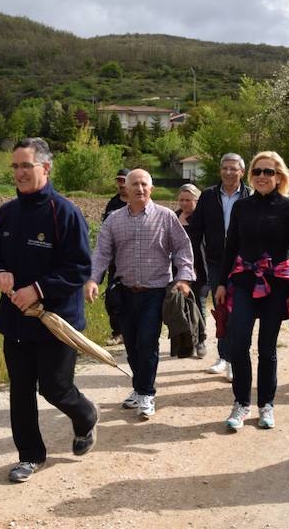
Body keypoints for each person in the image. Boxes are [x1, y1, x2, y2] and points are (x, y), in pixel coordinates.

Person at [0, 138, 99, 483]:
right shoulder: (6, 214)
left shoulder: (65, 213)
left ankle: (86, 416)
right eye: (15, 166)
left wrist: (38, 290)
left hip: (56, 322)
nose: (19, 173)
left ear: (46, 168)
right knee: (20, 389)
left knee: (56, 388)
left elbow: (78, 268)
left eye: (26, 166)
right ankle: (30, 456)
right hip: (15, 323)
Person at [84, 169, 195, 420]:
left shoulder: (166, 217)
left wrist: (184, 278)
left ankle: (147, 393)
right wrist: (93, 279)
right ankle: (138, 388)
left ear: (151, 188)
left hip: (155, 292)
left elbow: (182, 248)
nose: (140, 189)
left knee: (147, 342)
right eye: (135, 184)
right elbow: (102, 252)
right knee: (132, 345)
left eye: (144, 184)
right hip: (124, 292)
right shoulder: (113, 220)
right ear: (126, 188)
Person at [214, 152, 289, 432]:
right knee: (238, 343)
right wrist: (220, 282)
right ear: (250, 176)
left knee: (267, 348)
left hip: (276, 286)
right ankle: (242, 403)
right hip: (243, 282)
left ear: (278, 177)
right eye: (258, 172)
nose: (262, 176)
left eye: (269, 172)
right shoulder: (242, 208)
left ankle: (266, 404)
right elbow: (230, 247)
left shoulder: (288, 208)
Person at [188, 153, 252, 381]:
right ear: (220, 170)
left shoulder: (250, 195)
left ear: (242, 172)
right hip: (216, 263)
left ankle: (237, 358)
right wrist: (193, 262)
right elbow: (195, 232)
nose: (228, 172)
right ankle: (224, 357)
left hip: (244, 265)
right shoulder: (208, 196)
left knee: (241, 312)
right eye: (224, 168)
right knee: (222, 310)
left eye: (233, 169)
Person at [175, 183, 208, 357]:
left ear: (196, 200)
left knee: (198, 303)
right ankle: (186, 341)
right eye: (181, 200)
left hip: (199, 270)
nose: (185, 203)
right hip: (177, 270)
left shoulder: (202, 219)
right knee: (180, 306)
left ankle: (201, 339)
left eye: (188, 200)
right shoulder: (173, 218)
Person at [101, 168, 130, 346]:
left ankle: (131, 331)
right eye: (118, 180)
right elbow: (105, 232)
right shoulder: (112, 204)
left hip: (134, 260)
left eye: (123, 180)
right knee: (112, 298)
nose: (120, 184)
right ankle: (118, 332)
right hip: (114, 261)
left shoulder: (137, 202)